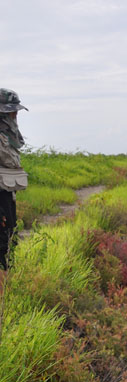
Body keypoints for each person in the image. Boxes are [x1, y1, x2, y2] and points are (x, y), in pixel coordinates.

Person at [0, 88, 29, 289]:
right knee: (3, 241)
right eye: (11, 111)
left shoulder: (7, 132)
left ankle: (7, 285)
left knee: (10, 235)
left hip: (6, 193)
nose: (15, 114)